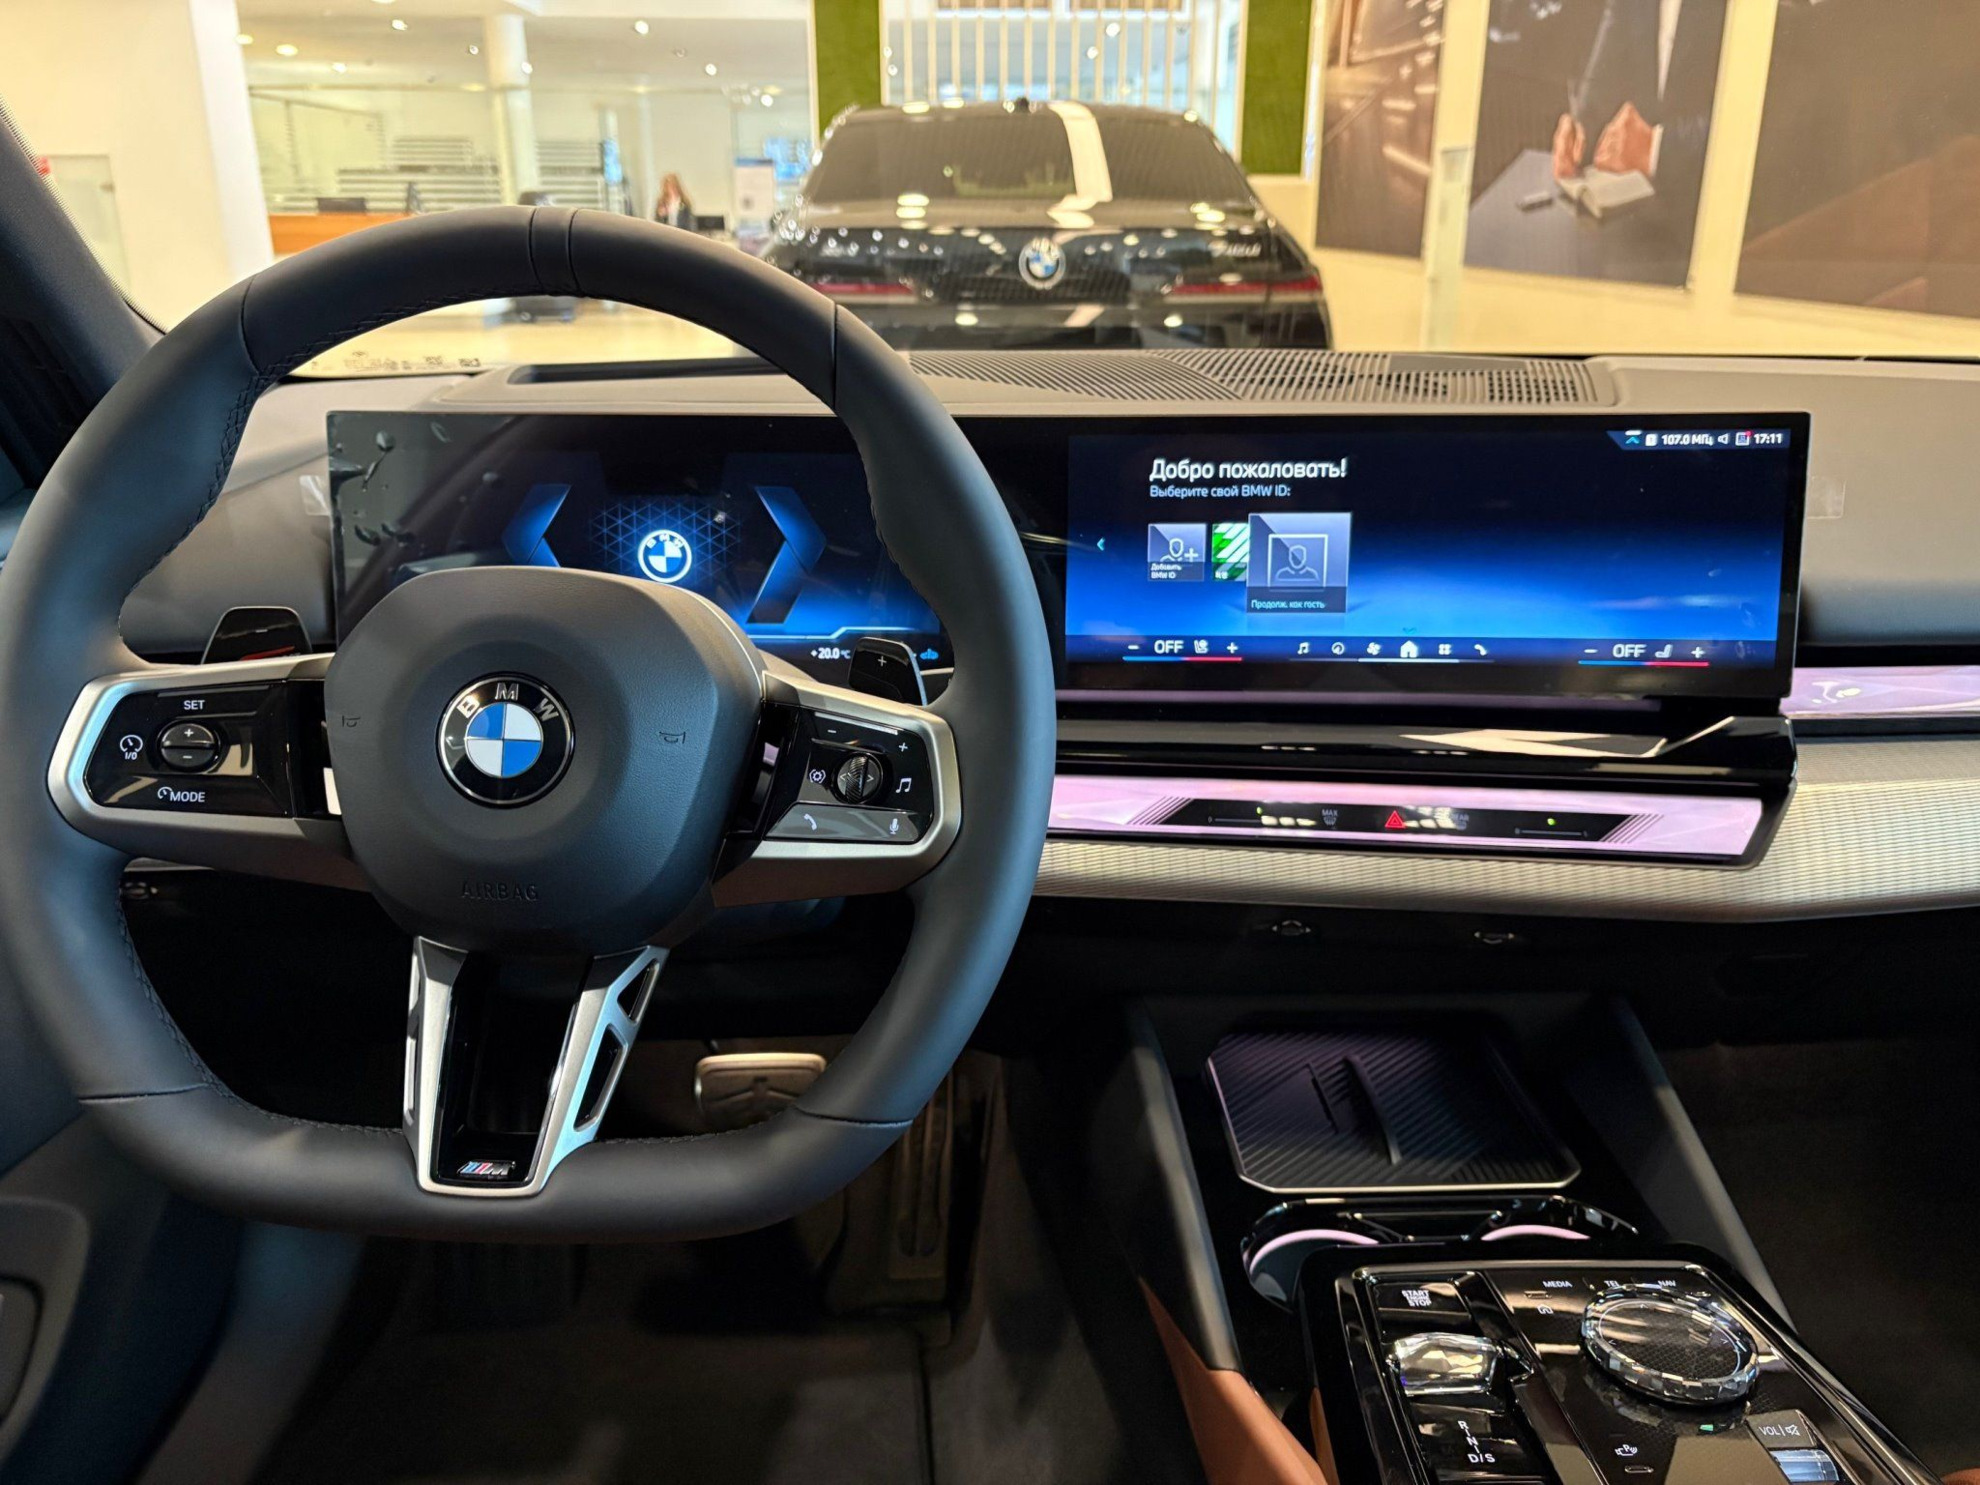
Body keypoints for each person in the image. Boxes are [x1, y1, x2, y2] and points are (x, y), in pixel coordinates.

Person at [1551, 0, 1725, 218]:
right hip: (1643, 205)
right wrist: (1579, 130)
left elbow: (1747, 123)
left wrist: (1655, 149)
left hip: (1715, 206)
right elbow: (1603, 77)